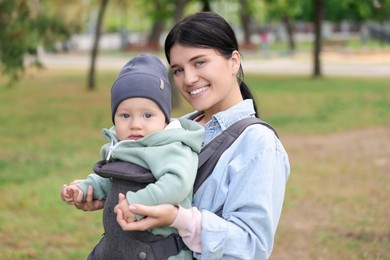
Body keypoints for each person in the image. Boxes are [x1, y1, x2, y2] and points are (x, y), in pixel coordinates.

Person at [72, 11, 290, 259]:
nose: (188, 79)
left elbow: (253, 245)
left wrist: (179, 219)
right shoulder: (175, 129)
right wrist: (109, 195)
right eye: (177, 70)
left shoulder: (258, 144)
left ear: (234, 61)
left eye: (199, 62)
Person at [60, 53, 204, 259]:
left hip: (158, 251)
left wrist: (136, 203)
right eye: (125, 115)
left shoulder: (171, 146)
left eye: (147, 115)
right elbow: (113, 180)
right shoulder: (123, 146)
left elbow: (177, 183)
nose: (136, 124)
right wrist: (85, 189)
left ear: (164, 118)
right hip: (119, 248)